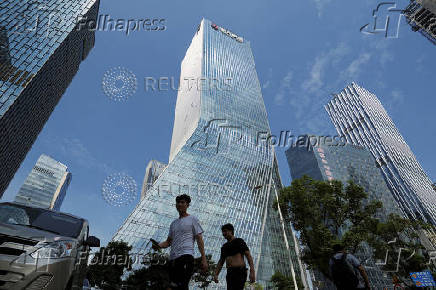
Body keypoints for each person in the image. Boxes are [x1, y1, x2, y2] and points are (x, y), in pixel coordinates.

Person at [152, 194, 208, 289]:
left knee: (182, 285)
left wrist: (203, 258)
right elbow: (168, 242)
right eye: (178, 202)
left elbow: (199, 239)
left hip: (186, 257)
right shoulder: (173, 224)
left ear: (187, 205)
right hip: (173, 259)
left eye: (183, 202)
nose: (180, 204)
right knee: (173, 286)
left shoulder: (193, 219)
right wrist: (158, 245)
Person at [214, 223, 255, 290]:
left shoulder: (239, 241)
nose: (224, 233)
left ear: (231, 231)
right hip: (230, 272)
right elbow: (221, 261)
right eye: (223, 232)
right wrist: (216, 274)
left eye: (225, 231)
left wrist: (252, 271)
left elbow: (248, 256)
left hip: (240, 272)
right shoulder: (224, 247)